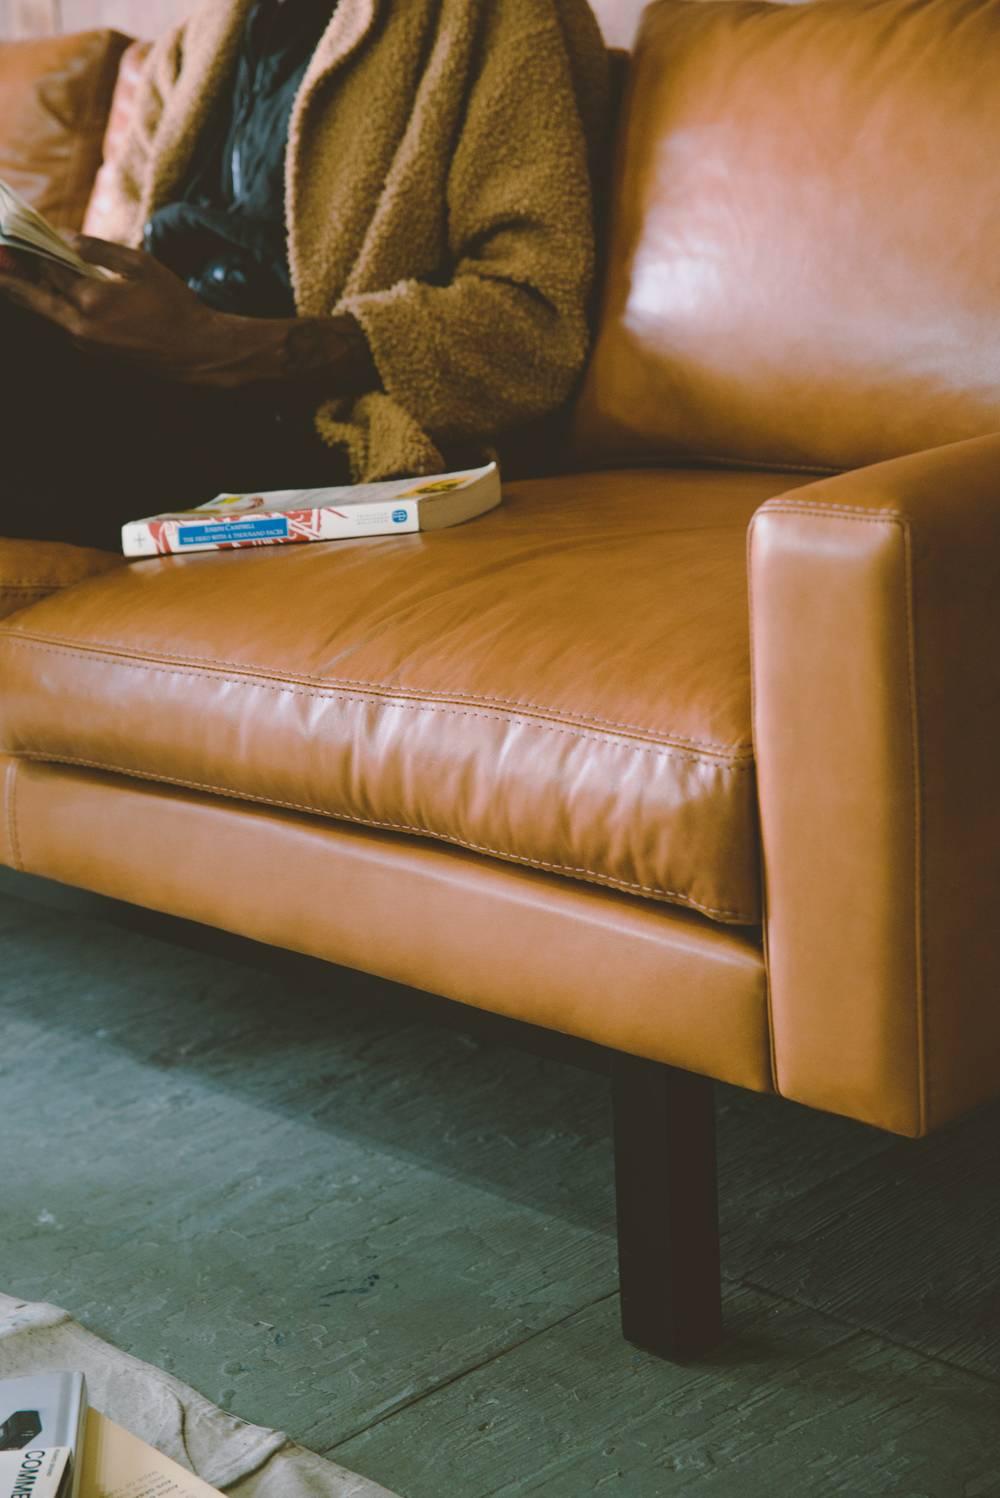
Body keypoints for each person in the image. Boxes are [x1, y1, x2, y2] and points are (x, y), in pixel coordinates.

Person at [0, 0, 610, 549]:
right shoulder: (194, 42)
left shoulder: (494, 19)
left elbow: (534, 330)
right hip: (135, 392)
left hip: (309, 424)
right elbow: (124, 256)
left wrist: (222, 347)